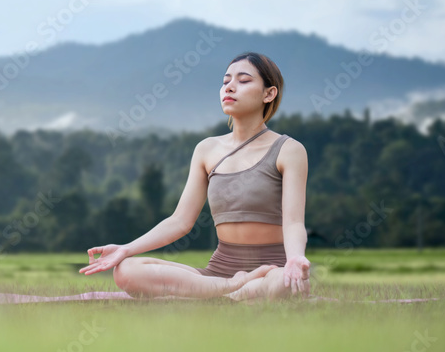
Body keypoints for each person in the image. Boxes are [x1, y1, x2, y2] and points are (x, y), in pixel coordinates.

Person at [79, 52, 311, 302]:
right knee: (126, 270)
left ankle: (212, 298)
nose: (229, 87)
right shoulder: (206, 149)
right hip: (217, 276)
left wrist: (296, 258)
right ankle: (235, 291)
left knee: (283, 284)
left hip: (271, 271)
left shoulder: (289, 150)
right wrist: (126, 249)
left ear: (269, 94)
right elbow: (180, 221)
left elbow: (294, 222)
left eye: (243, 81)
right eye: (225, 81)